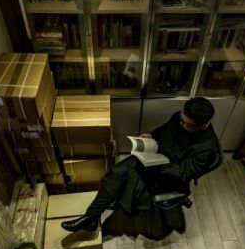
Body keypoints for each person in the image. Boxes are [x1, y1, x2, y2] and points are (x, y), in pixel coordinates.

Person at [61, 97, 221, 233]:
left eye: (187, 124)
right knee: (116, 172)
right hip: (153, 157)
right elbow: (164, 130)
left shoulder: (207, 149)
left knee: (129, 180)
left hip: (167, 175)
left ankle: (96, 214)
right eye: (181, 119)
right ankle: (90, 217)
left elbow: (182, 173)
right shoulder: (180, 118)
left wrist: (158, 162)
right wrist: (151, 136)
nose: (182, 124)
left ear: (201, 125)